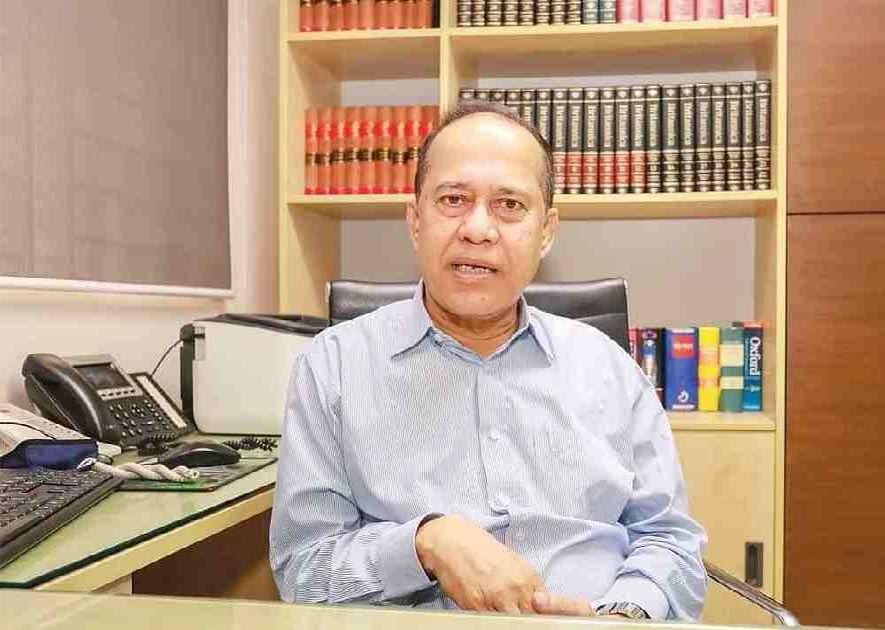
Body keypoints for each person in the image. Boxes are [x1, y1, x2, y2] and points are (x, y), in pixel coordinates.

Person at [269, 101, 707, 621]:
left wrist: (623, 617)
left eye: (509, 205)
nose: (478, 229)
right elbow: (302, 570)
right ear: (415, 220)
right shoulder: (332, 368)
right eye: (453, 199)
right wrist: (424, 544)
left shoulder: (610, 369)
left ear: (547, 232)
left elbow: (671, 543)